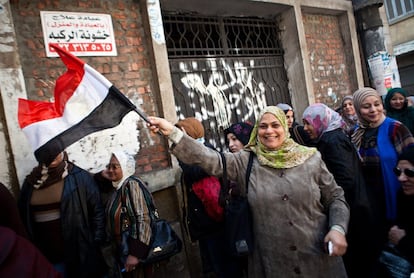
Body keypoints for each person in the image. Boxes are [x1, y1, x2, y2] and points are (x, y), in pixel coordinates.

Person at [148, 106, 350, 278]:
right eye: (263, 126)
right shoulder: (246, 161)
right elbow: (210, 159)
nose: (269, 131)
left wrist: (338, 229)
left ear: (285, 128)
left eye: (275, 125)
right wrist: (173, 133)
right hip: (271, 264)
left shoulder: (311, 159)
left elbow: (336, 197)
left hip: (319, 260)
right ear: (256, 132)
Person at [302, 103, 372, 277]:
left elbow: (345, 178)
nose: (305, 128)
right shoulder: (331, 136)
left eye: (308, 123)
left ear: (320, 121)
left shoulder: (331, 141)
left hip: (352, 209)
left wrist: (324, 194)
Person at [351, 87, 414, 276]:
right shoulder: (356, 133)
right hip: (372, 202)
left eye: (377, 104)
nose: (373, 110)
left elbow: (411, 160)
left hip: (399, 200)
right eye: (366, 107)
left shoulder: (396, 128)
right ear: (357, 109)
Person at [18, 151, 106, 278]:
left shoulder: (79, 177)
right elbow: (23, 219)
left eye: (56, 149)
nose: (52, 153)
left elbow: (97, 212)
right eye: (47, 149)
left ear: (63, 151)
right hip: (46, 258)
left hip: (79, 256)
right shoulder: (30, 182)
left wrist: (94, 244)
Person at [175, 117, 237, 278]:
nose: (178, 138)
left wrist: (182, 153)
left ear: (191, 133)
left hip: (213, 219)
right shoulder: (198, 151)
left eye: (182, 133)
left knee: (222, 265)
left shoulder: (206, 152)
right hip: (204, 220)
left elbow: (194, 172)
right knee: (213, 264)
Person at [100, 150, 153, 278]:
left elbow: (142, 218)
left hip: (134, 253)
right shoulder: (119, 187)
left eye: (115, 167)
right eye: (109, 166)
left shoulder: (132, 184)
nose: (111, 170)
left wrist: (135, 254)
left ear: (125, 167)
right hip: (123, 251)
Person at [386, 146, 414, 267]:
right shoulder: (403, 195)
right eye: (398, 172)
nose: (401, 178)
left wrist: (403, 241)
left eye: (409, 173)